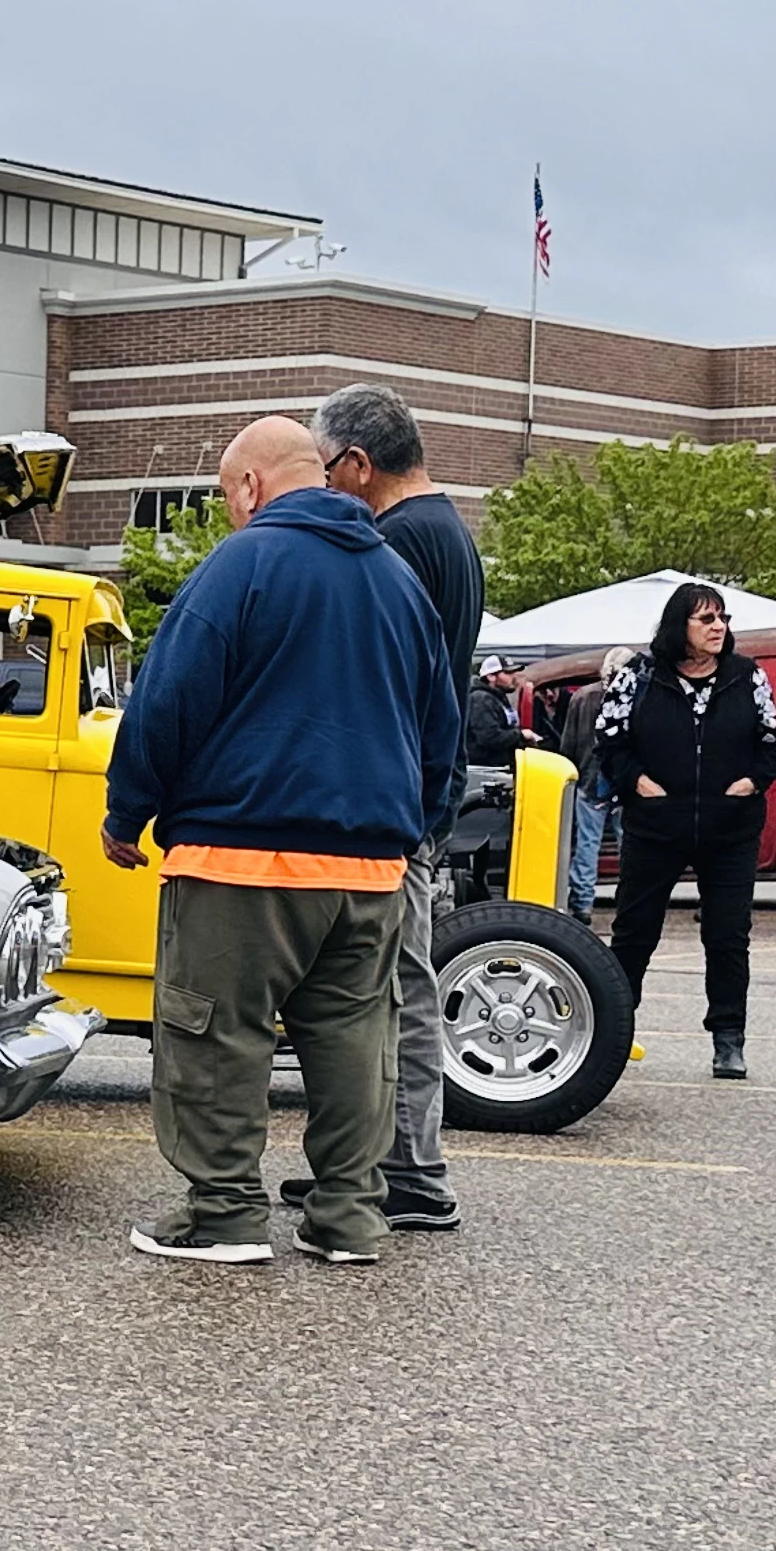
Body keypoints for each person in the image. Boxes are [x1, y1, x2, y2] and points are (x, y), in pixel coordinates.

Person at [102, 414, 459, 1267]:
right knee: (352, 1040)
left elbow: (168, 699)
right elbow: (439, 725)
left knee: (217, 1035)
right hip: (370, 868)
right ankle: (349, 1220)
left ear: (251, 487)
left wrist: (127, 813)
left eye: (229, 496)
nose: (231, 512)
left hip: (239, 860)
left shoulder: (242, 564)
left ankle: (224, 1213)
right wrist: (419, 830)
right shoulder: (398, 582)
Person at [312, 383, 487, 1234]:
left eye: (323, 469)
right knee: (388, 984)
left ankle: (410, 1171)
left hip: (396, 802)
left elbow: (376, 683)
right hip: (425, 790)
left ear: (356, 463)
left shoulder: (396, 543)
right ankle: (397, 1165)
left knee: (390, 989)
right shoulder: (449, 532)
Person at [589, 582, 776, 1079]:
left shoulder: (747, 676)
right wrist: (637, 782)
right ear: (682, 626)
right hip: (656, 823)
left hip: (730, 825)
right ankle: (612, 1031)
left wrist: (751, 782)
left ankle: (728, 1038)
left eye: (723, 618)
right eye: (706, 620)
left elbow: (772, 740)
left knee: (727, 935)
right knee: (634, 933)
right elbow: (608, 739)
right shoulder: (639, 675)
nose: (719, 628)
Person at [552, 654, 627, 919]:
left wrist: (570, 771)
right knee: (629, 844)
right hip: (625, 782)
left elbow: (568, 740)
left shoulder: (582, 697)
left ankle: (582, 903)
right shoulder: (636, 694)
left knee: (587, 843)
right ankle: (629, 898)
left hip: (588, 778)